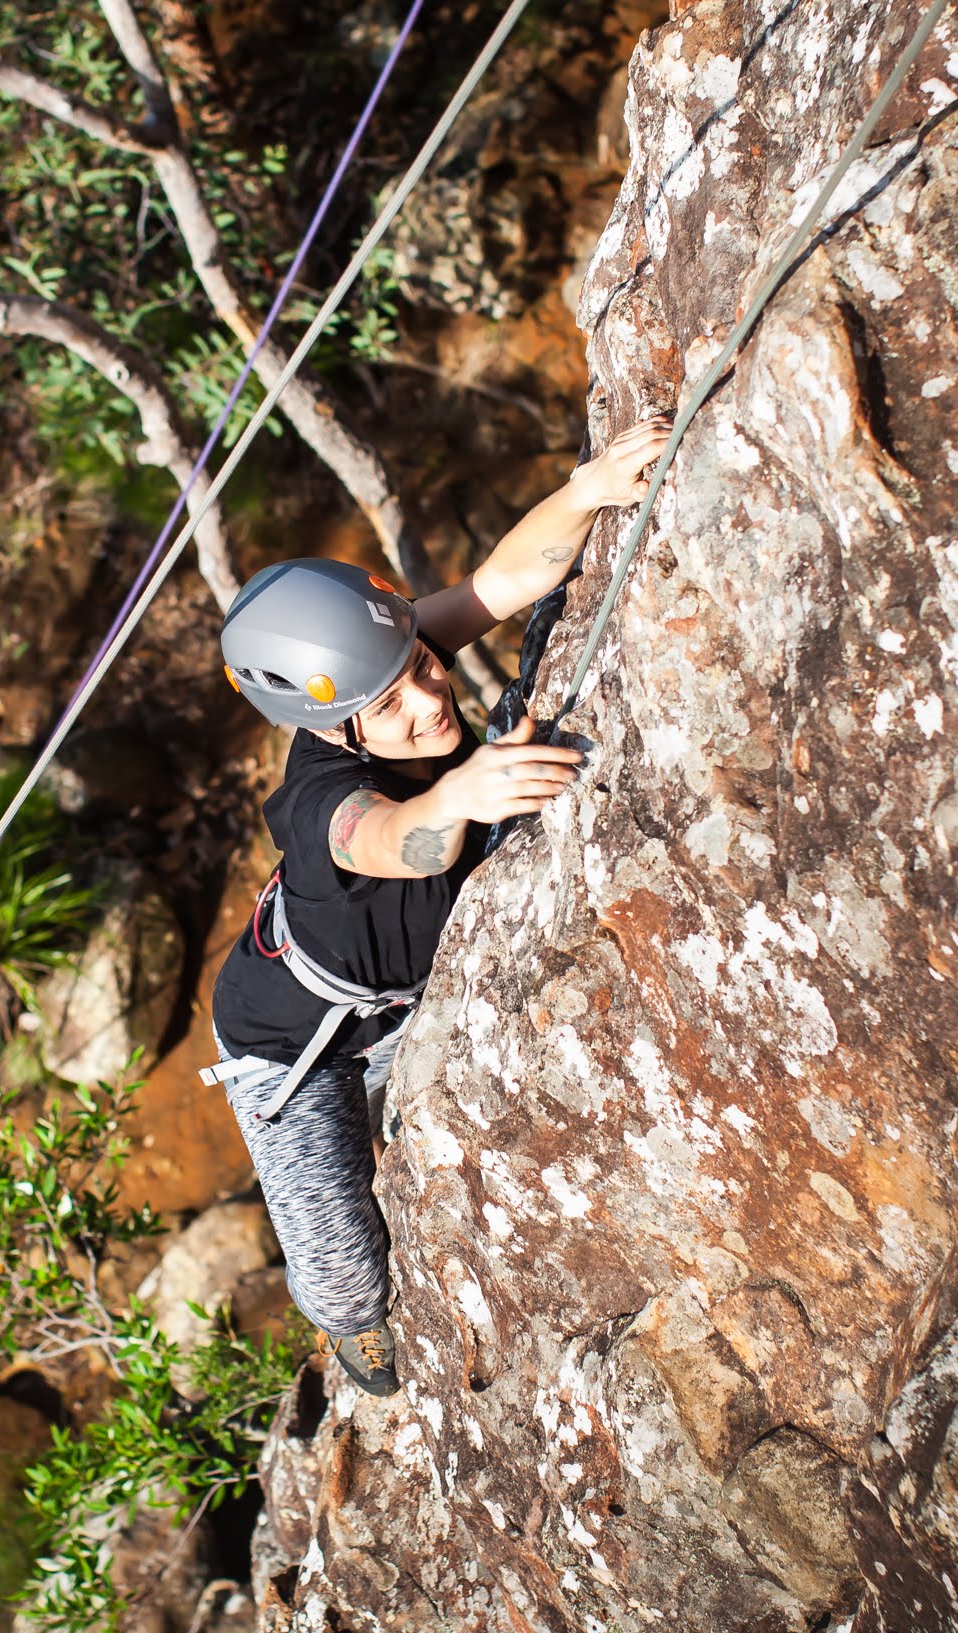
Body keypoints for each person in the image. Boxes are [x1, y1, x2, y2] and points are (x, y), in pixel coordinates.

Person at [205, 416, 673, 1395]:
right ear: (337, 725)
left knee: (401, 1105)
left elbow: (495, 587)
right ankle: (345, 1328)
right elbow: (383, 840)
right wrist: (457, 796)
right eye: (392, 704)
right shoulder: (320, 801)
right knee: (343, 1259)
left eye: (422, 663)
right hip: (286, 1039)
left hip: (395, 994)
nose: (428, 696)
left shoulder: (388, 668)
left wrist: (587, 490)